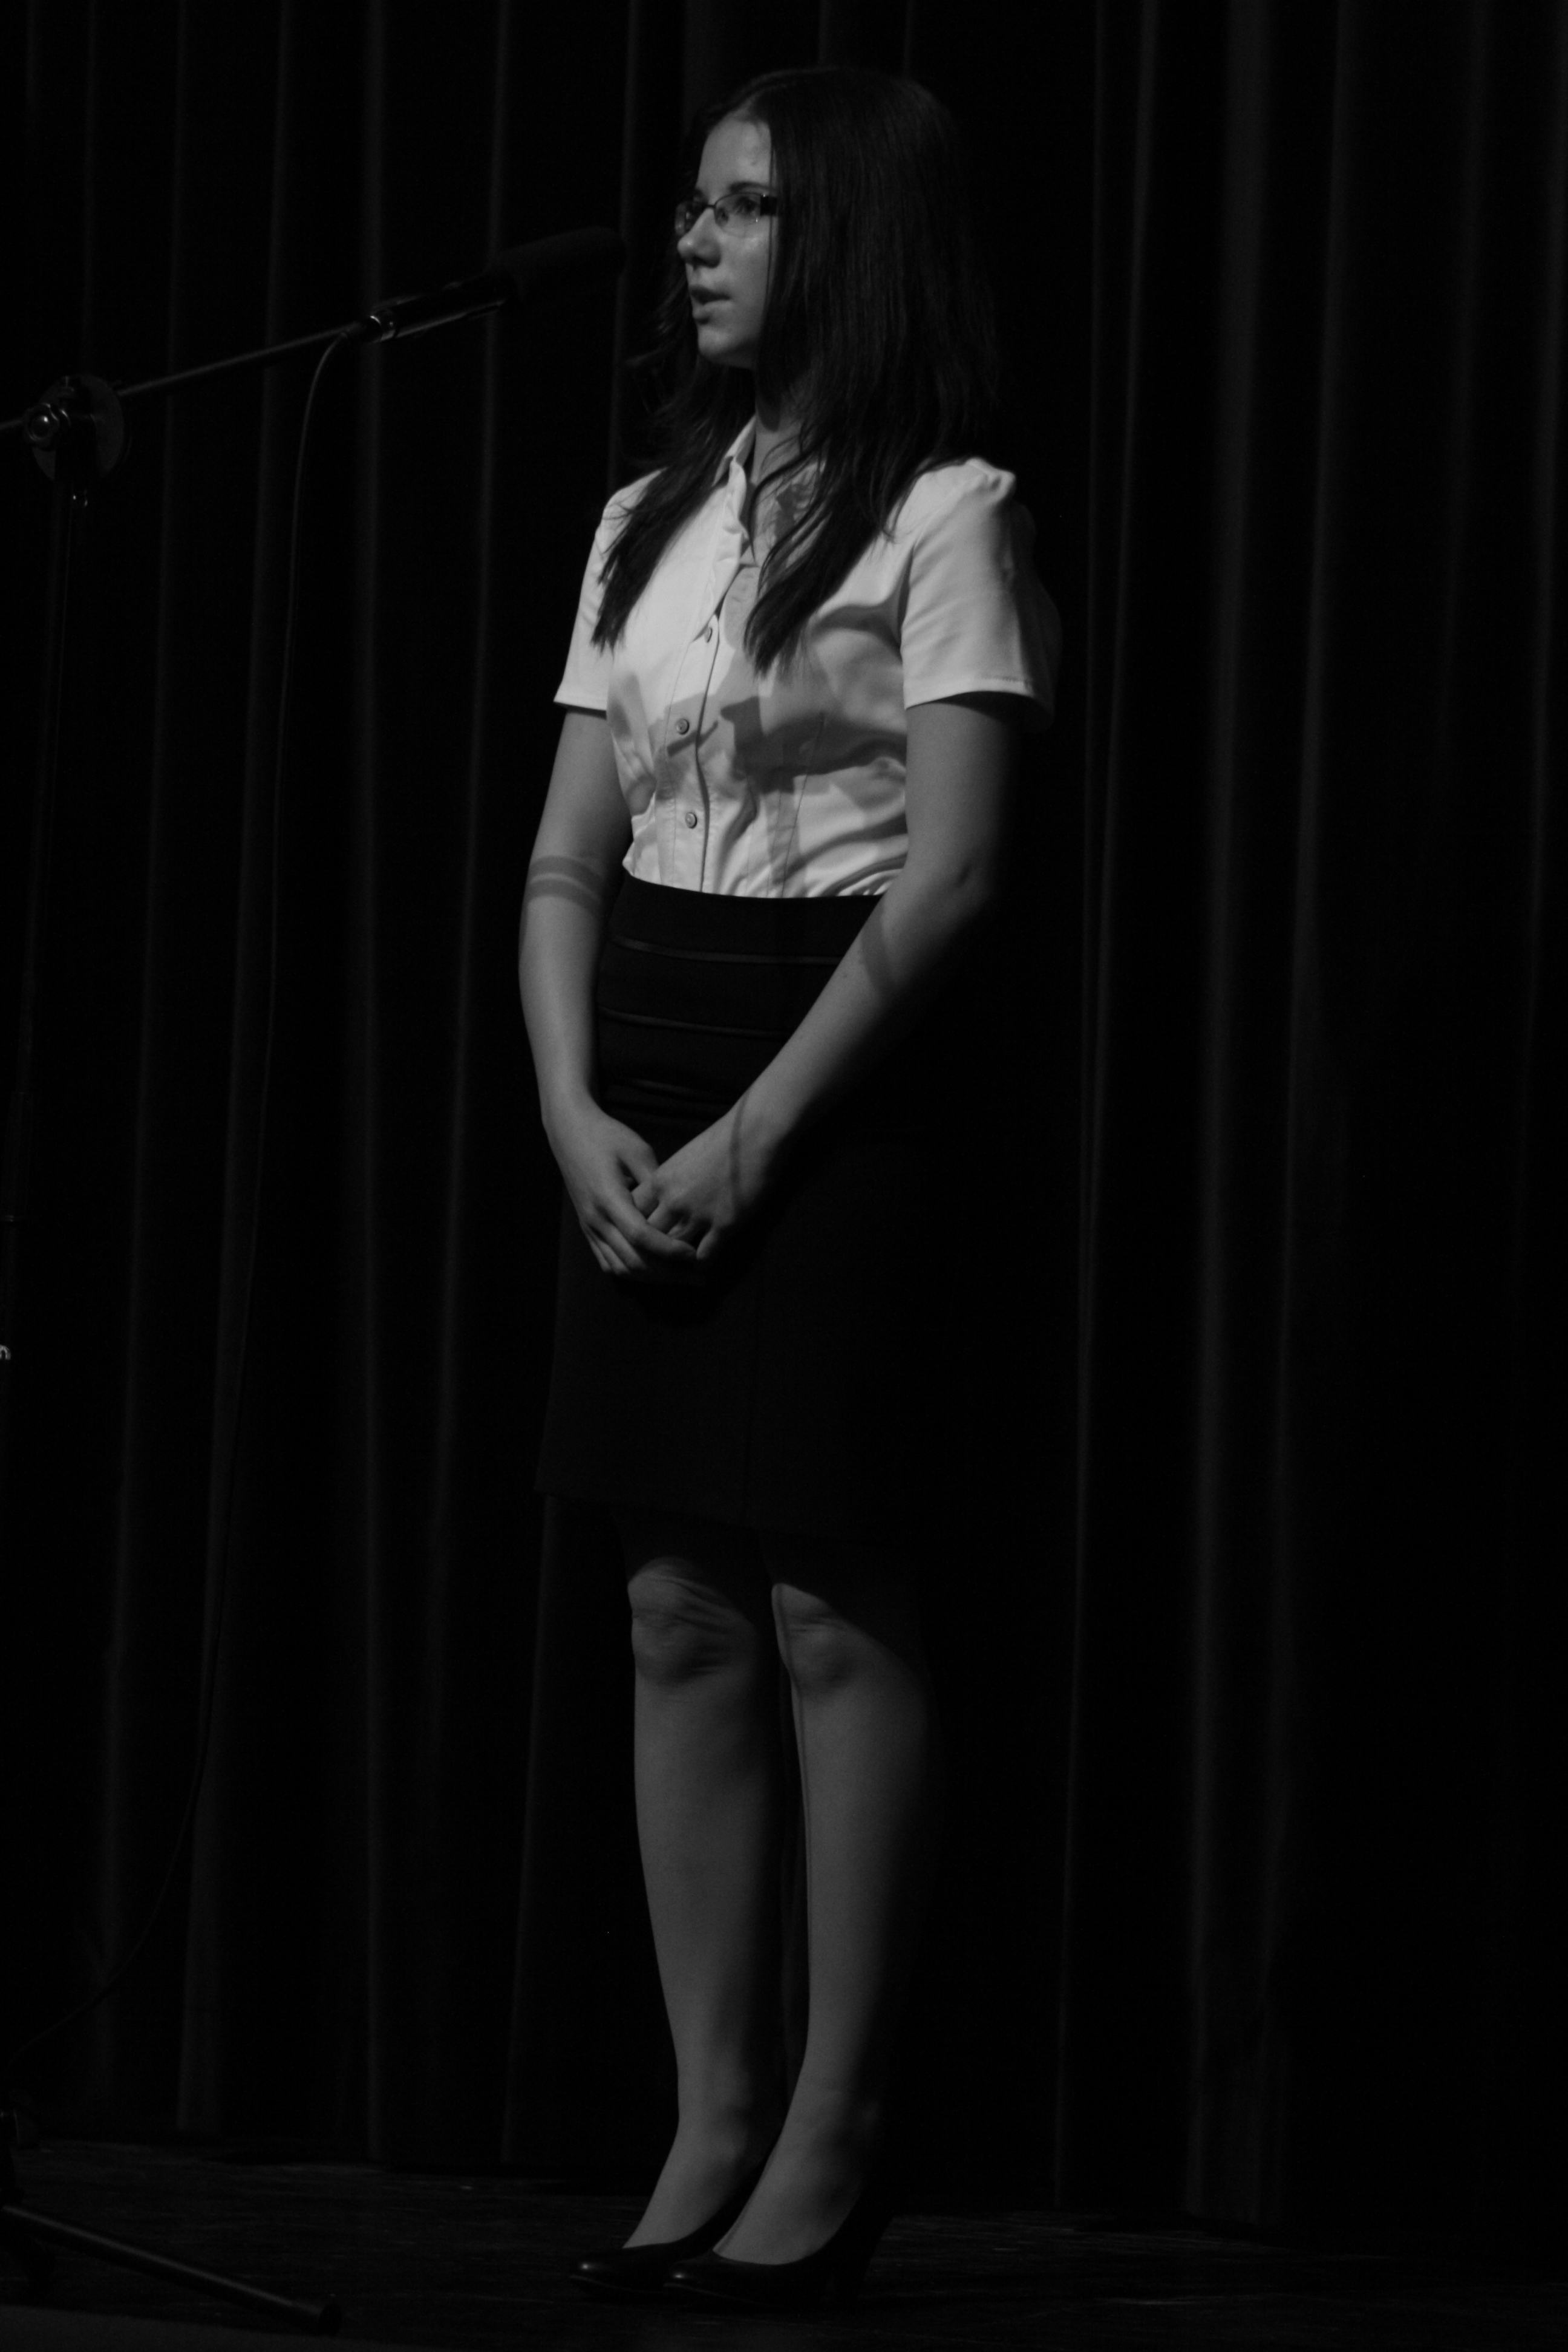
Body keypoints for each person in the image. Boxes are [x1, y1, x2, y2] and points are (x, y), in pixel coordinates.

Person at [519, 64, 1060, 2312]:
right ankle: (711, 2111)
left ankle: (836, 2124)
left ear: (847, 236)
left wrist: (764, 1130)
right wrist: (575, 1111)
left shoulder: (949, 513)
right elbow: (565, 859)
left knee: (831, 1600)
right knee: (674, 1605)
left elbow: (956, 877)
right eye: (694, 206)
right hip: (645, 1051)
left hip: (839, 1062)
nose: (696, 240)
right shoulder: (643, 519)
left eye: (743, 207)